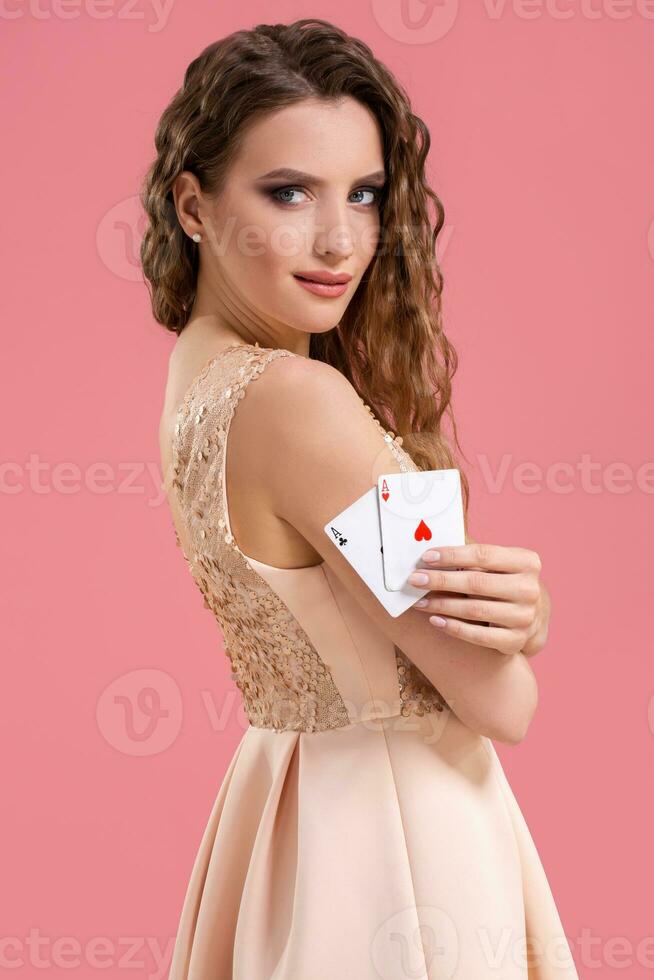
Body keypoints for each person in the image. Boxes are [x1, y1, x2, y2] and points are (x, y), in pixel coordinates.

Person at [141, 18, 578, 980]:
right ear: (193, 205)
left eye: (367, 195)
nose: (341, 240)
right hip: (396, 836)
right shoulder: (301, 400)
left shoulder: (197, 374)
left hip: (289, 813)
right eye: (288, 192)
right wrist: (528, 627)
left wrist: (507, 617)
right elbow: (500, 701)